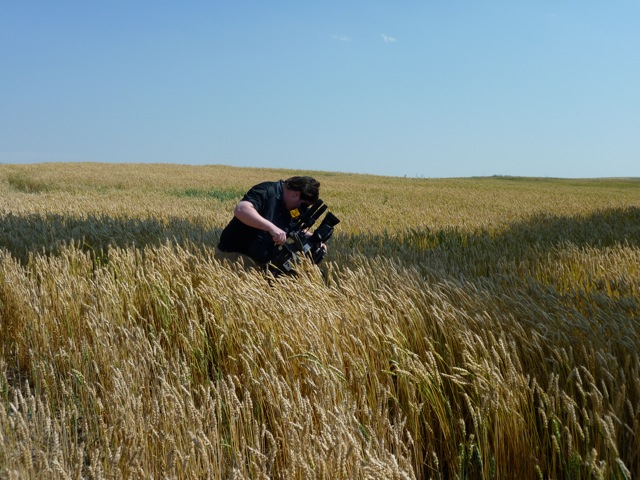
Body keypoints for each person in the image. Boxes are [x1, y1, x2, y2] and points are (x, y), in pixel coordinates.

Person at [216, 176, 321, 268]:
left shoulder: (293, 209)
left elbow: (293, 228)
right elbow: (241, 209)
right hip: (234, 256)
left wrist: (313, 239)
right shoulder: (267, 190)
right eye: (304, 205)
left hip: (260, 261)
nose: (302, 209)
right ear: (296, 194)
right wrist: (271, 227)